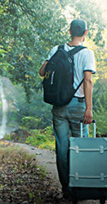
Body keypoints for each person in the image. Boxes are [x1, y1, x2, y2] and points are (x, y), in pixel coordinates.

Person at [39, 19, 96, 197]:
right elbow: (88, 80)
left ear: (69, 31)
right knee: (81, 147)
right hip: (78, 106)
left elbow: (42, 72)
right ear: (85, 32)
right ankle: (81, 186)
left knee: (62, 147)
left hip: (58, 106)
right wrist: (89, 108)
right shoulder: (87, 54)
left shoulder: (56, 49)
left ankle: (67, 188)